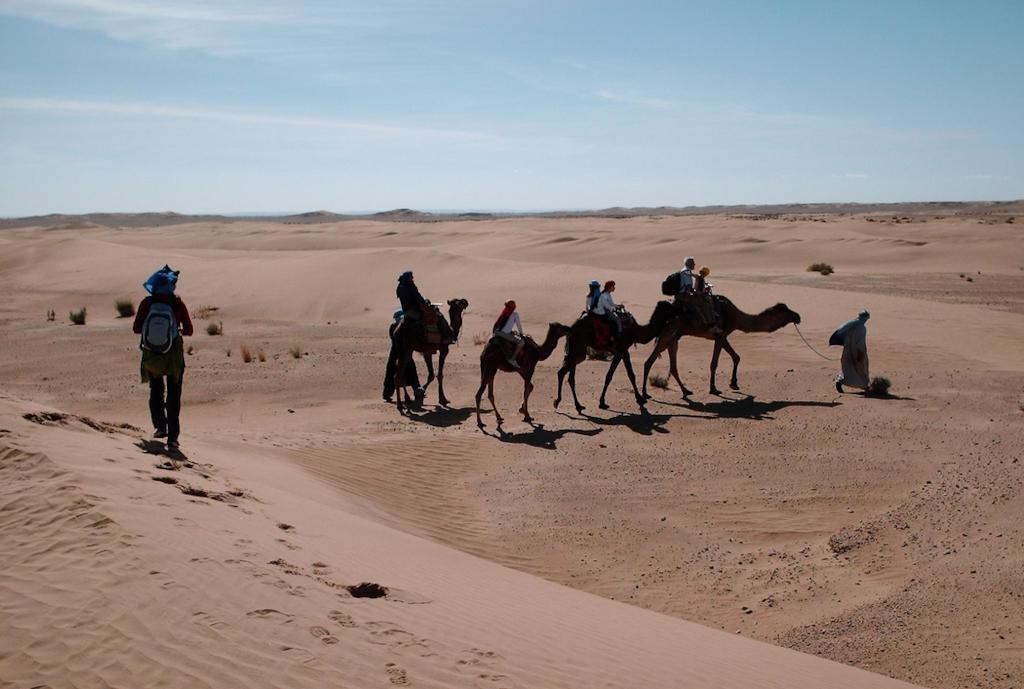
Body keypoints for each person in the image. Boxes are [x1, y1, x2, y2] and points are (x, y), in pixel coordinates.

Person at [132, 265, 193, 451]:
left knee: (156, 389)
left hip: (152, 355)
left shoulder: (147, 304)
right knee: (174, 395)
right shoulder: (178, 304)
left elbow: (136, 328)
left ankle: (160, 428)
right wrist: (176, 331)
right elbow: (189, 330)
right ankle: (173, 438)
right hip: (174, 356)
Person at [383, 309, 424, 402]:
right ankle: (417, 390)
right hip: (404, 353)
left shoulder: (393, 327)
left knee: (391, 372)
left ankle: (387, 394)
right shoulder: (399, 327)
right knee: (411, 371)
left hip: (395, 353)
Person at [675, 257, 721, 333]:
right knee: (708, 304)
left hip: (687, 294)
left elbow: (694, 286)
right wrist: (704, 291)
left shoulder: (692, 274)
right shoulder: (695, 276)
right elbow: (695, 289)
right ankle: (711, 325)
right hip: (689, 296)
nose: (694, 264)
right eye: (693, 263)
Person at [830, 310, 870, 393]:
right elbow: (860, 343)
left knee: (848, 369)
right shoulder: (861, 328)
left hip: (847, 352)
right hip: (857, 353)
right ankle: (864, 385)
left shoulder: (850, 326)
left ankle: (841, 382)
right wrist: (860, 354)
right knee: (861, 369)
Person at [492, 300, 524, 368]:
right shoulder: (515, 314)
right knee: (521, 342)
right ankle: (512, 359)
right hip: (503, 334)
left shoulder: (504, 313)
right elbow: (519, 326)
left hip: (496, 332)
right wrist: (521, 334)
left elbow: (502, 326)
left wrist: (511, 331)